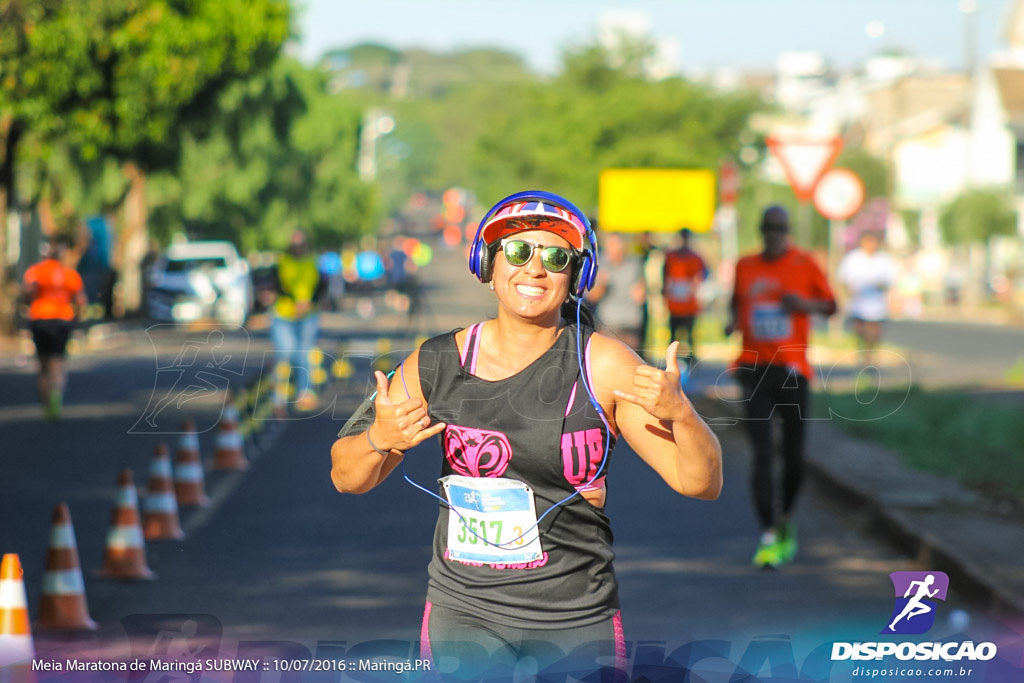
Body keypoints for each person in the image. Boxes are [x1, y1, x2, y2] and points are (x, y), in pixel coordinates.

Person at [330, 191, 722, 680]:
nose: (534, 269)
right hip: (463, 613)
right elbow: (346, 477)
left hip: (575, 617)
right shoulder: (438, 362)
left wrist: (682, 415)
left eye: (555, 258)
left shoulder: (603, 365)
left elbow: (699, 482)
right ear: (489, 266)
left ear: (576, 277)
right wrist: (379, 440)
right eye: (518, 252)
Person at [725, 205, 836, 569]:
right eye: (768, 227)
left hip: (792, 371)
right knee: (761, 452)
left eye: (779, 227)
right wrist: (731, 321)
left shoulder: (804, 264)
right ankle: (769, 531)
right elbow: (736, 300)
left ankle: (785, 516)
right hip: (754, 369)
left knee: (793, 457)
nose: (773, 233)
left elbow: (832, 305)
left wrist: (803, 304)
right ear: (761, 230)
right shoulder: (745, 266)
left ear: (787, 231)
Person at [22, 234, 88, 421]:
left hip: (40, 320)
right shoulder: (70, 275)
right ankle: (56, 398)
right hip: (62, 321)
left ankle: (45, 403)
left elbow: (27, 294)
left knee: (43, 365)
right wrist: (76, 320)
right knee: (57, 364)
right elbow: (81, 302)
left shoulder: (35, 272)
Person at [269, 229, 325, 414]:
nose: (298, 248)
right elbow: (278, 285)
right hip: (285, 315)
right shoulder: (282, 262)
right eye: (295, 245)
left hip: (308, 315)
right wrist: (295, 301)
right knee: (285, 352)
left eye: (301, 245)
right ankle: (279, 395)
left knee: (304, 354)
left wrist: (311, 302)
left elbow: (320, 285)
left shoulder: (312, 262)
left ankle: (304, 392)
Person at [837, 231, 896, 366]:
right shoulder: (853, 258)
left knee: (874, 330)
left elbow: (890, 281)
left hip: (876, 304)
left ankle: (871, 355)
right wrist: (849, 293)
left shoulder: (883, 259)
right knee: (859, 329)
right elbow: (843, 279)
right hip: (858, 303)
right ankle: (861, 354)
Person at [585, 231, 647, 353]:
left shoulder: (634, 264)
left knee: (630, 362)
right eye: (610, 245)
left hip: (630, 322)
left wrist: (640, 291)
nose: (613, 249)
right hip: (608, 323)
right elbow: (592, 297)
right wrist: (602, 285)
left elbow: (641, 294)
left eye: (616, 245)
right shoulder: (600, 264)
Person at [662, 228, 709, 367]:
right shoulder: (671, 256)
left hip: (689, 304)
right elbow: (665, 275)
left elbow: (703, 274)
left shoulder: (695, 257)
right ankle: (671, 361)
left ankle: (691, 361)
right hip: (675, 303)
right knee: (673, 335)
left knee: (689, 335)